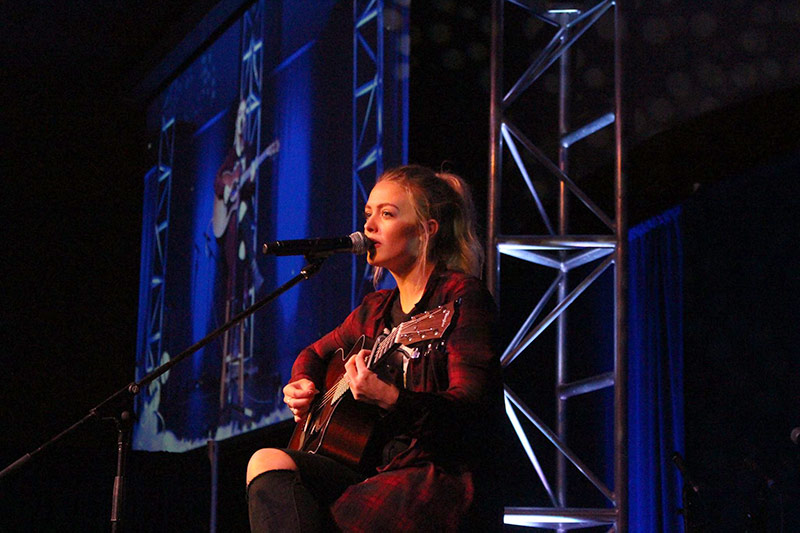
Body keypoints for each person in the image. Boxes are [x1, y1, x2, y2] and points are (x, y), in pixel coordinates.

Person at [246, 165, 504, 532]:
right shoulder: (375, 309)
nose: (368, 227)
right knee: (266, 461)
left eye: (387, 214)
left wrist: (389, 398)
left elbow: (470, 410)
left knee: (342, 514)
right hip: (374, 470)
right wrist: (302, 384)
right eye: (368, 214)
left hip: (433, 476)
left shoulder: (460, 297)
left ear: (427, 229)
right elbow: (314, 354)